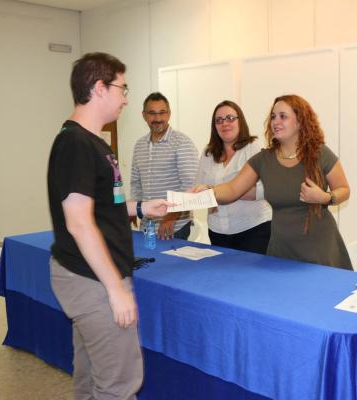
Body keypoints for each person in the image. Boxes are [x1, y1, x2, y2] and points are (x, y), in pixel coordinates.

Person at [47, 52, 172, 400]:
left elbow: (103, 207)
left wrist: (142, 207)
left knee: (91, 376)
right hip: (93, 280)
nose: (126, 98)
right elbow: (79, 223)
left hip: (91, 276)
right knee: (119, 384)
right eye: (122, 88)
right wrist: (116, 289)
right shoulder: (76, 143)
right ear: (99, 88)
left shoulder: (96, 143)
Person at [193, 94, 352, 269]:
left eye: (283, 116)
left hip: (318, 249)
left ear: (299, 121)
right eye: (273, 117)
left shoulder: (319, 153)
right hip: (281, 250)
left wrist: (325, 198)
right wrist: (209, 190)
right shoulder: (263, 159)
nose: (276, 122)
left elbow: (344, 189)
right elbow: (232, 189)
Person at [195, 100, 272, 253]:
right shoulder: (208, 153)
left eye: (230, 118)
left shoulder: (252, 148)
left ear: (240, 121)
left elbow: (265, 189)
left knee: (250, 276)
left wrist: (231, 191)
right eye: (219, 120)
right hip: (217, 231)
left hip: (253, 229)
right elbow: (199, 189)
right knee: (223, 276)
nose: (225, 123)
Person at [131, 92, 198, 240]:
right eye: (152, 113)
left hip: (174, 225)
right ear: (144, 115)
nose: (157, 118)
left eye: (162, 113)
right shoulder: (139, 145)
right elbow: (136, 183)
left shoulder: (182, 142)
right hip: (147, 225)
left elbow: (190, 185)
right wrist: (134, 210)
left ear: (169, 114)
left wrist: (170, 216)